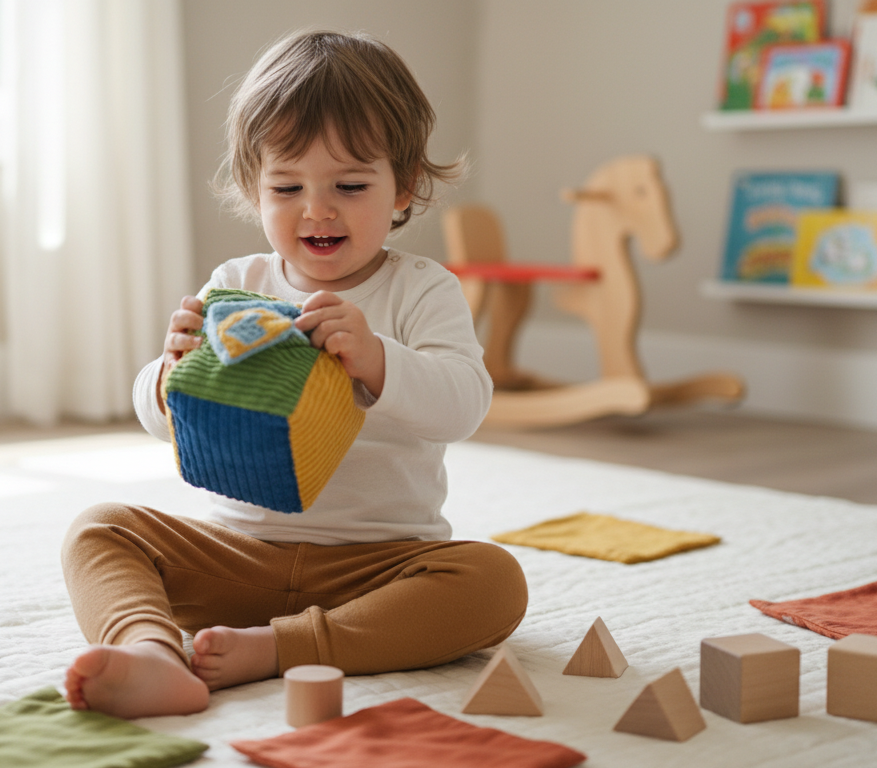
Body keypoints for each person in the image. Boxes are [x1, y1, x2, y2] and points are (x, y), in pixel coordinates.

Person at [61, 29, 528, 719]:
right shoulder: (237, 283)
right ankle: (152, 653)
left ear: (404, 188)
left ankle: (279, 648)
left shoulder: (423, 289)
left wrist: (377, 359)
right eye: (287, 186)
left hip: (377, 567)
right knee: (98, 528)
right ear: (254, 191)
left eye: (349, 184)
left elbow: (464, 405)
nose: (318, 208)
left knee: (493, 581)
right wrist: (167, 378)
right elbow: (176, 426)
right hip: (238, 553)